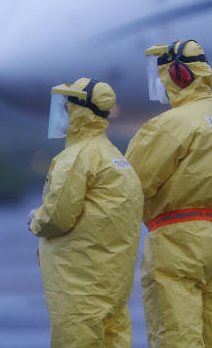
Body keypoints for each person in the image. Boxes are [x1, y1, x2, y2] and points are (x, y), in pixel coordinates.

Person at [126, 40, 212, 348]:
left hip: (177, 240)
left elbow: (131, 185)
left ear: (178, 75)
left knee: (176, 336)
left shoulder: (170, 124)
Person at [30, 78, 143, 347]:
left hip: (79, 284)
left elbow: (58, 216)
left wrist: (35, 220)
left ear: (78, 110)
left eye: (67, 106)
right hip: (113, 283)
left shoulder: (76, 158)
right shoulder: (116, 157)